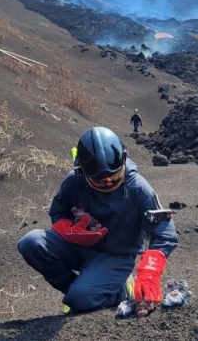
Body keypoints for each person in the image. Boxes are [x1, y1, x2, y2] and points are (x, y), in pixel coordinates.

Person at [17, 126, 177, 314]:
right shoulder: (74, 181)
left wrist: (150, 271)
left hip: (115, 256)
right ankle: (81, 292)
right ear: (83, 172)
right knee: (30, 243)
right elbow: (59, 212)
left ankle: (120, 290)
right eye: (100, 181)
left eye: (114, 177)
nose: (109, 183)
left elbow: (165, 232)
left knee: (79, 300)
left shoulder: (138, 188)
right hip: (77, 247)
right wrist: (71, 229)